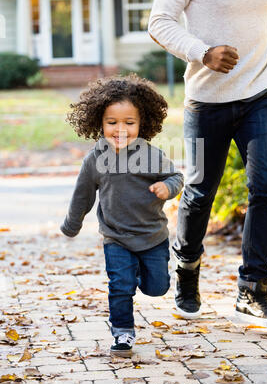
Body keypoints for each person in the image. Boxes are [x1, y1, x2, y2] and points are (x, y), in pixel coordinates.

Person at [148, 0, 267, 327]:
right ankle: (186, 268)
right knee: (199, 193)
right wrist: (202, 51)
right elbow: (159, 22)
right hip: (206, 100)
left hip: (259, 93)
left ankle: (253, 289)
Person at [60, 74, 184, 356]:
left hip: (152, 236)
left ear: (143, 124)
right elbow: (83, 195)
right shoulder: (95, 159)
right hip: (115, 237)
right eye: (112, 122)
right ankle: (123, 333)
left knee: (157, 288)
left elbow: (176, 176)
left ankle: (143, 271)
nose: (120, 130)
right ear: (99, 123)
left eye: (129, 123)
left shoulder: (151, 155)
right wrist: (72, 224)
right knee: (120, 286)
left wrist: (167, 187)